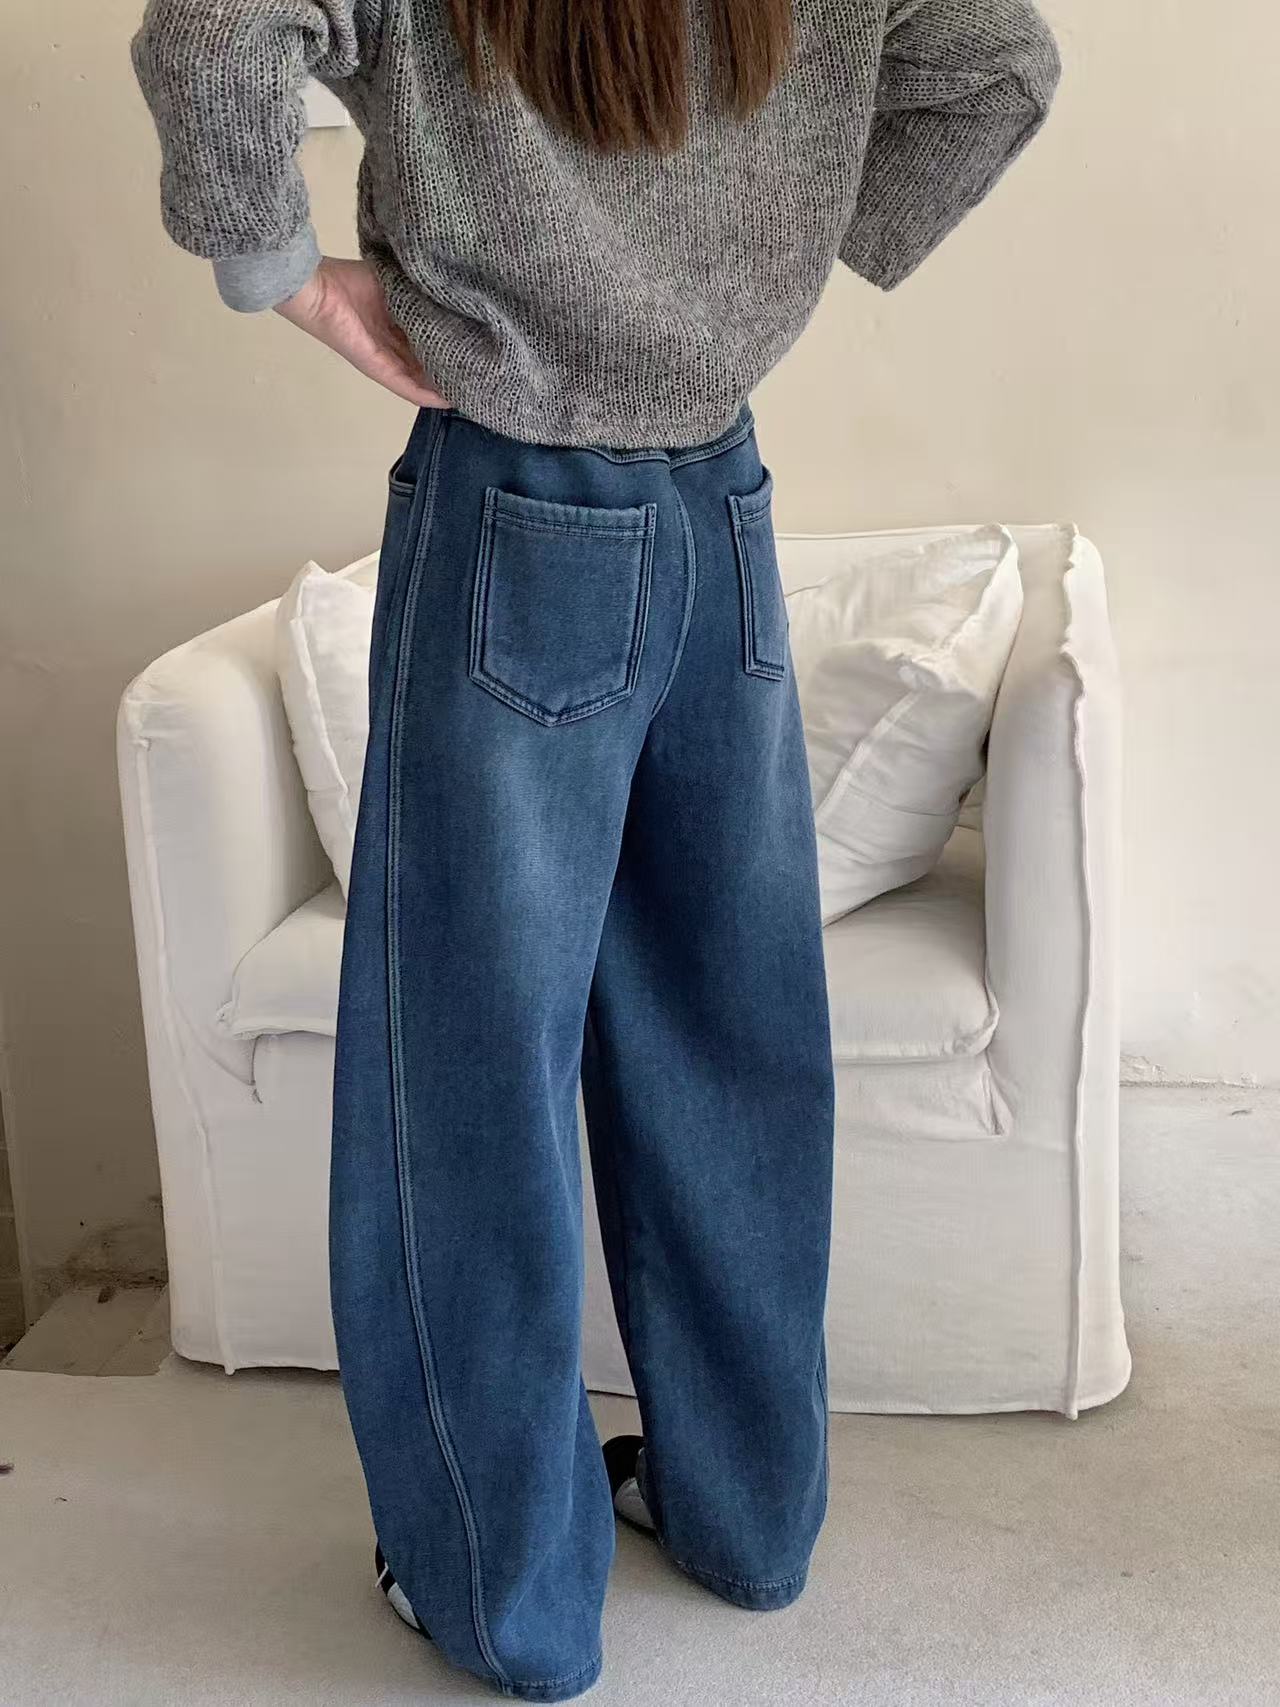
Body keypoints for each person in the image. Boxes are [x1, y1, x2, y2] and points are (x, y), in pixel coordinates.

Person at [131, 1, 1060, 1697]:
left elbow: (214, 24)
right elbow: (1001, 68)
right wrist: (769, 247)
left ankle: (510, 1600)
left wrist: (284, 277)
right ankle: (745, 1518)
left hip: (513, 509)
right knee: (727, 1039)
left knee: (470, 1073)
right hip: (721, 503)